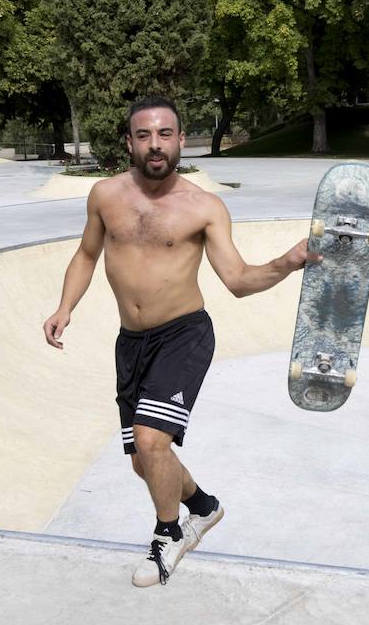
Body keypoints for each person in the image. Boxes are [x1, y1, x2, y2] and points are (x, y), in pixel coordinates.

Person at [43, 96, 316, 587]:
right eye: (144, 135)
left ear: (180, 139)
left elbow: (237, 279)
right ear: (129, 141)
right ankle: (203, 507)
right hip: (131, 343)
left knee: (152, 442)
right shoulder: (104, 196)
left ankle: (168, 535)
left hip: (184, 335)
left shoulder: (204, 207)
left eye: (165, 134)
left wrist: (289, 261)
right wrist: (66, 306)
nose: (155, 144)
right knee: (143, 463)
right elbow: (85, 256)